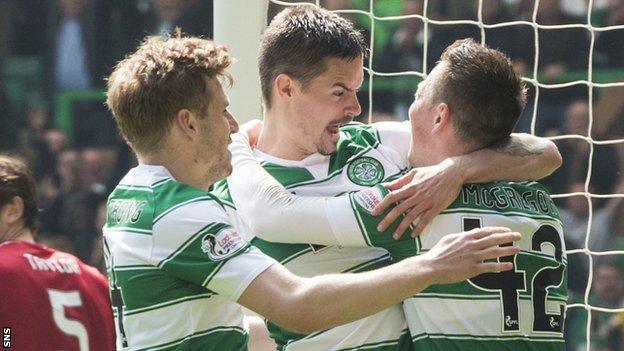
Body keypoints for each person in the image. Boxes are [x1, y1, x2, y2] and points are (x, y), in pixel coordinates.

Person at [103, 33, 524, 351]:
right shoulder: (182, 211)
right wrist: (434, 266)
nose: (233, 125)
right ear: (188, 124)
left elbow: (542, 152)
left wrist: (459, 167)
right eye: (221, 111)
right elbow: (296, 304)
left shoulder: (131, 198)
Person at [215, 5, 562, 350]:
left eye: (356, 89)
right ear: (287, 89)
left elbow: (539, 150)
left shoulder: (386, 151)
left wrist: (456, 170)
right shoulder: (231, 192)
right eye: (340, 91)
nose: (356, 108)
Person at [0, 154, 115, 351]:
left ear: (14, 210)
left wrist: (6, 339)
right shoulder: (93, 279)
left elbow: (6, 338)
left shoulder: (4, 270)